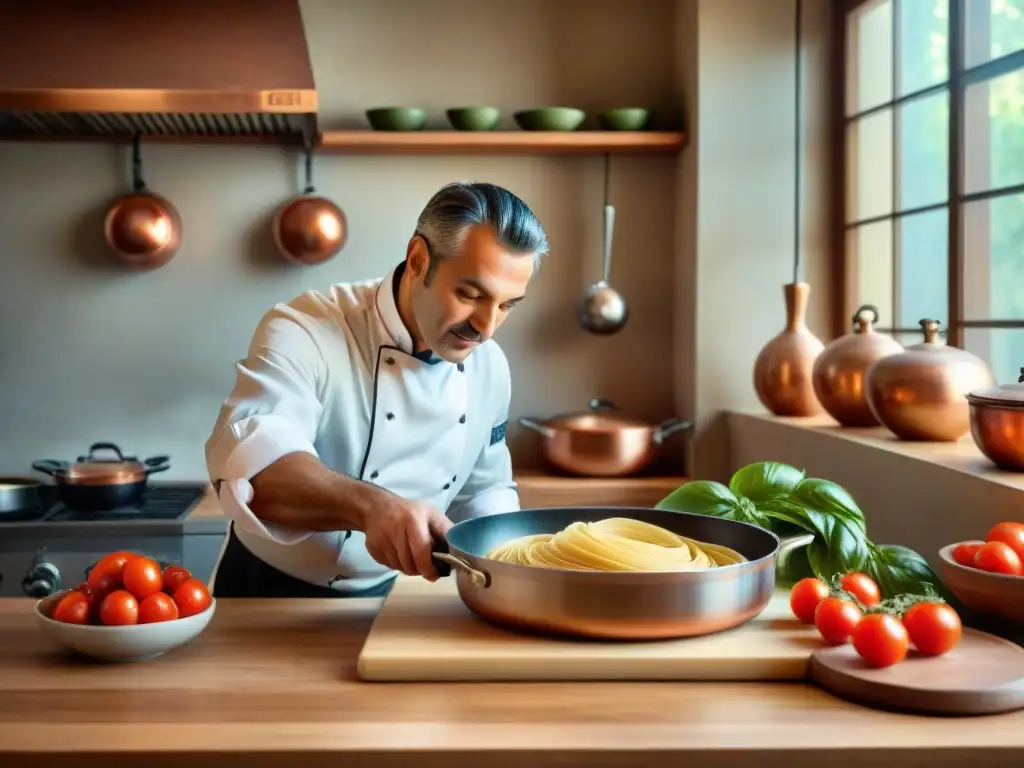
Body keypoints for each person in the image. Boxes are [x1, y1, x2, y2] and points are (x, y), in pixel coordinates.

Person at [204, 181, 548, 598]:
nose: (486, 327)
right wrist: (372, 507)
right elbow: (259, 471)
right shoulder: (306, 329)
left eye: (507, 305)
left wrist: (508, 569)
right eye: (469, 294)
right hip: (269, 594)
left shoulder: (490, 366)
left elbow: (484, 490)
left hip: (394, 597)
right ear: (419, 259)